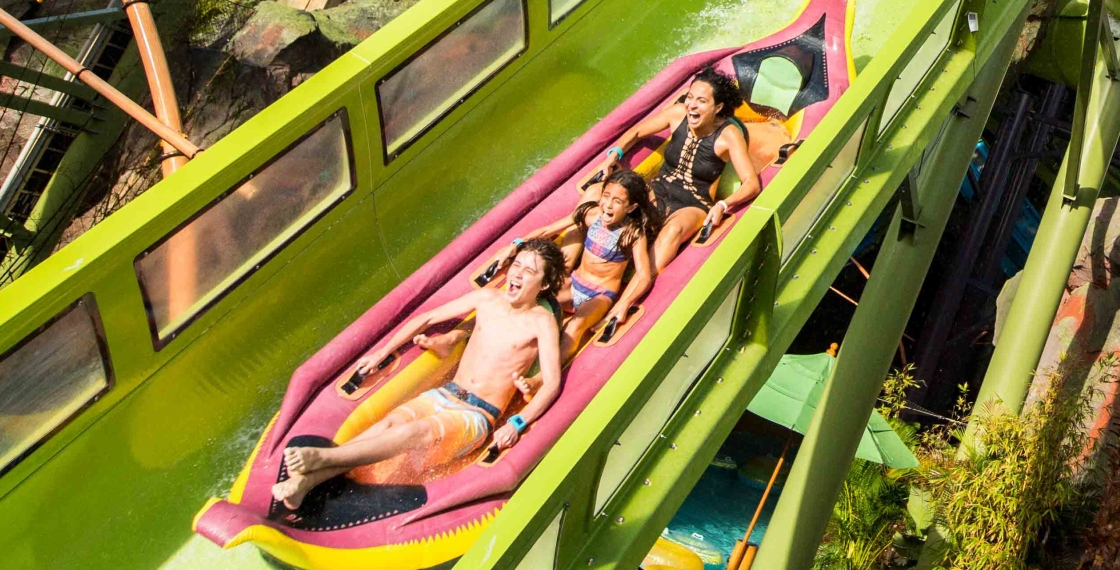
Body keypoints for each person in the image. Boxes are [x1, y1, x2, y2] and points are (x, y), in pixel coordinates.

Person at [272, 239, 568, 511]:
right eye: (517, 265)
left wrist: (517, 422)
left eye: (529, 271)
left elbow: (552, 383)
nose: (517, 274)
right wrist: (381, 353)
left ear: (543, 284)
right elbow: (427, 317)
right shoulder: (488, 299)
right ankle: (306, 482)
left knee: (418, 432)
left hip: (477, 414)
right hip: (446, 394)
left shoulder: (540, 323)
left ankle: (324, 458)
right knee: (390, 422)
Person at [493, 170, 659, 346]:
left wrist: (623, 304)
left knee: (575, 326)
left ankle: (541, 374)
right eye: (606, 196)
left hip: (599, 294)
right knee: (527, 295)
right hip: (573, 283)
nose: (608, 205)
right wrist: (517, 244)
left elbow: (643, 276)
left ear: (631, 207)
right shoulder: (591, 214)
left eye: (617, 201)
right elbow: (548, 230)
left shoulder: (632, 233)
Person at [626, 69, 762, 264]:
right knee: (626, 209)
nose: (692, 105)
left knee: (673, 231)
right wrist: (614, 155)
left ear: (718, 107)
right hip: (659, 189)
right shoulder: (677, 113)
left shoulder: (729, 135)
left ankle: (644, 282)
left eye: (702, 101)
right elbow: (637, 132)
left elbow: (751, 183)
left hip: (694, 204)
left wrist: (723, 204)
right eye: (690, 97)